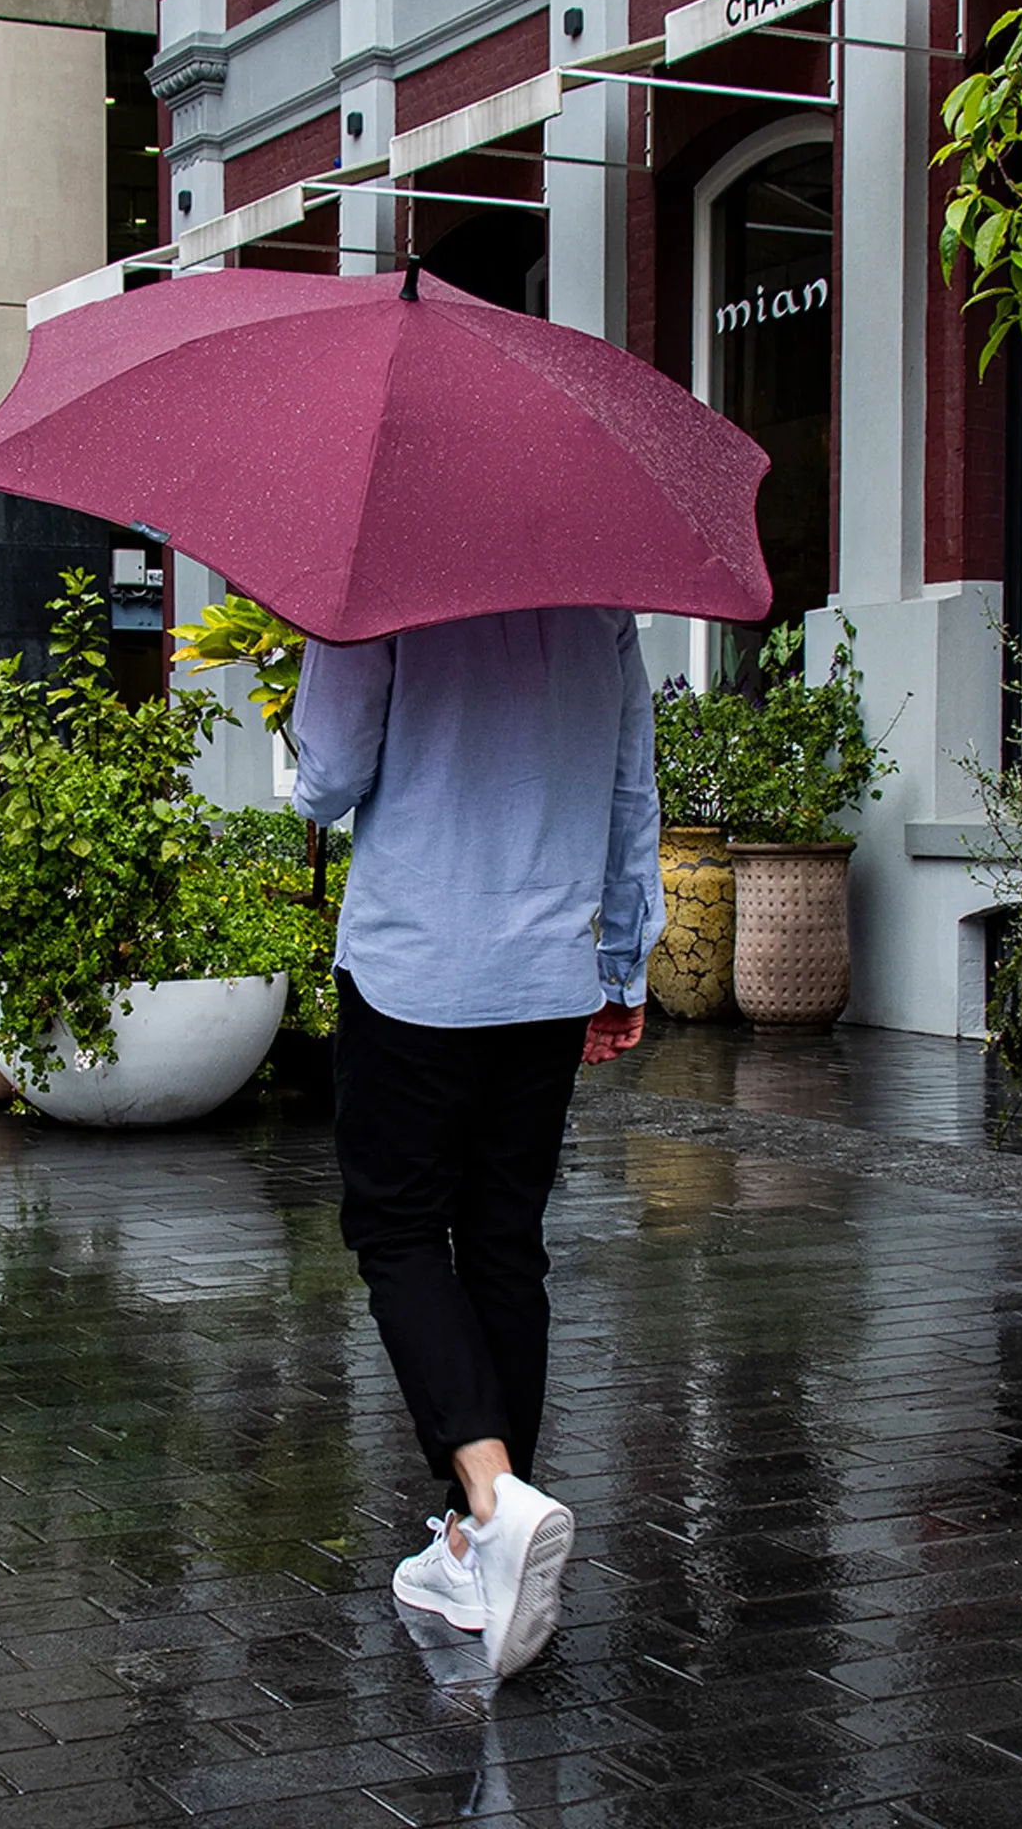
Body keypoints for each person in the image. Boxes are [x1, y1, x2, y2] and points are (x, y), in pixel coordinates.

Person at [291, 606, 665, 1678]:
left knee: (399, 1232)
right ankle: (469, 1542)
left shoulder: (375, 588)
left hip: (416, 965)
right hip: (545, 971)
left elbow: (324, 781)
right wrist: (622, 960)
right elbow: (628, 786)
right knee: (502, 1242)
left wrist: (306, 705)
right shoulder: (599, 600)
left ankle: (493, 1498)